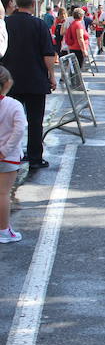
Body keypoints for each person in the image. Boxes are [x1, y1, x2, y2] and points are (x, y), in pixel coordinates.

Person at [0, 0, 56, 169]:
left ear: (16, 2)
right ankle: (35, 157)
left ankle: (10, 155)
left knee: (8, 120)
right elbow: (48, 54)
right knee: (35, 121)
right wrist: (52, 76)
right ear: (33, 3)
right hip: (35, 80)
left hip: (9, 81)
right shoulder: (40, 25)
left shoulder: (6, 23)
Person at [0, 65, 26, 243]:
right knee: (3, 194)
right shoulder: (13, 105)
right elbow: (19, 130)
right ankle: (3, 230)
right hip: (8, 157)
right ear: (8, 83)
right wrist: (5, 150)